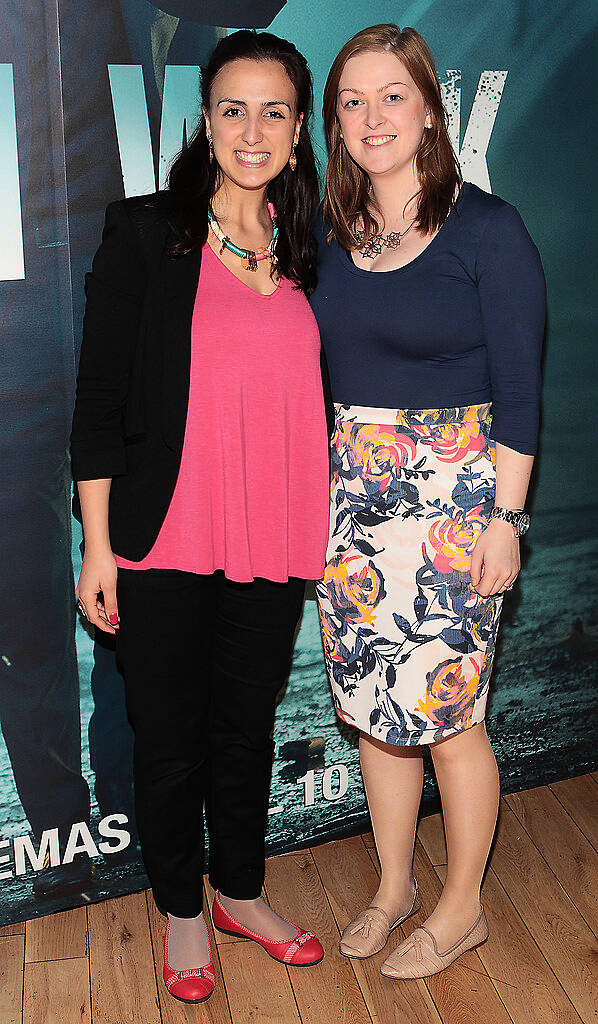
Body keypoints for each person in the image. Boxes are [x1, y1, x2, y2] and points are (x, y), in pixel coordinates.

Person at [71, 30, 332, 1004]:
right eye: (233, 108)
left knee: (243, 728)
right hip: (162, 537)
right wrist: (97, 545)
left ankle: (242, 892)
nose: (251, 128)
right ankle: (183, 905)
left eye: (274, 110)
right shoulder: (145, 234)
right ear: (206, 120)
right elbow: (97, 407)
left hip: (275, 540)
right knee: (169, 735)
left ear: (298, 132)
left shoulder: (316, 248)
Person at [311, 24, 545, 979]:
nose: (373, 117)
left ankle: (463, 908)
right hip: (353, 499)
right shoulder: (325, 234)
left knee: (453, 718)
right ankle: (395, 885)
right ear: (336, 122)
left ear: (429, 108)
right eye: (353, 101)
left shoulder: (491, 229)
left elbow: (524, 395)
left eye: (392, 96)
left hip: (457, 503)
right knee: (374, 708)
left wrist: (507, 522)